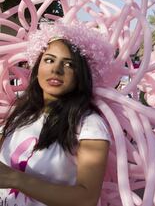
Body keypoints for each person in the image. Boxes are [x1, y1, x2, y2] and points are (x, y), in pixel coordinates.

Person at [0, 24, 111, 206]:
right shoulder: (21, 112)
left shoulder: (89, 124)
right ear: (37, 66)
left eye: (68, 64)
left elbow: (87, 198)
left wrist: (15, 179)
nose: (56, 70)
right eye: (49, 60)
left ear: (80, 75)